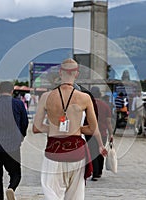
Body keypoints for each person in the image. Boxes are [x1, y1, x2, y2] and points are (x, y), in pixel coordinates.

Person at [33, 58, 107, 200]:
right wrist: (76, 129)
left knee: (51, 191)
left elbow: (36, 128)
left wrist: (55, 128)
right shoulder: (85, 98)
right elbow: (92, 128)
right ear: (77, 74)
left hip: (53, 150)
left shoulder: (46, 97)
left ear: (60, 73)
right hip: (76, 150)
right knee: (75, 194)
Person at [89, 86, 114, 181]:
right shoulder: (105, 106)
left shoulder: (89, 104)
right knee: (101, 151)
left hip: (91, 133)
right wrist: (111, 134)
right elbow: (108, 122)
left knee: (93, 152)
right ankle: (99, 171)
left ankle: (94, 173)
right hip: (103, 133)